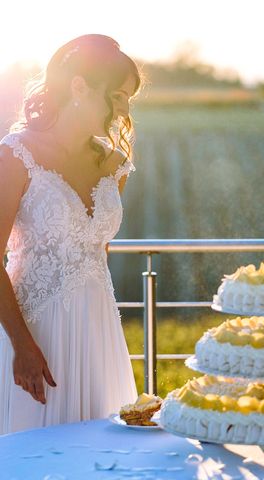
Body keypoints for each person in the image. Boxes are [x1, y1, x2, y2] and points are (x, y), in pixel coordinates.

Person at [0, 34, 142, 433]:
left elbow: (98, 252)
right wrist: (22, 346)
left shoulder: (115, 165)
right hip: (32, 337)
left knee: (104, 456)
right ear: (79, 85)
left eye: (128, 98)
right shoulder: (15, 155)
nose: (124, 109)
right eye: (116, 95)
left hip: (99, 334)